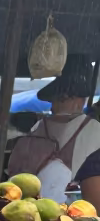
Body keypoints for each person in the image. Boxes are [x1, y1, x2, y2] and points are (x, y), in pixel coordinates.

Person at [8, 54, 100, 202]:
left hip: (56, 209)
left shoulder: (94, 129)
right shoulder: (39, 127)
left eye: (59, 99)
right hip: (40, 208)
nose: (52, 105)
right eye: (55, 99)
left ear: (76, 99)